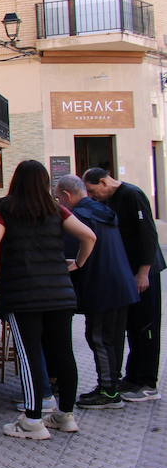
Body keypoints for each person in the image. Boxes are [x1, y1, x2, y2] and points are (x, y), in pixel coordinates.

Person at [0, 160, 96, 440]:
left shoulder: (4, 209)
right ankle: (65, 416)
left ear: (16, 181)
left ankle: (32, 420)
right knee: (63, 353)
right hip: (59, 293)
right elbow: (89, 236)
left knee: (30, 355)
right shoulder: (55, 209)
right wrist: (78, 264)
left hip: (23, 296)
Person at [55, 174, 138, 409]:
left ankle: (109, 392)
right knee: (111, 339)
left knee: (99, 338)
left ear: (67, 195)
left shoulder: (79, 217)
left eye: (59, 198)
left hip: (102, 286)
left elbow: (70, 257)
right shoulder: (103, 211)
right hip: (121, 284)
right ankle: (111, 384)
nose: (59, 202)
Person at [85, 167, 164, 402]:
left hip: (144, 273)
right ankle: (133, 377)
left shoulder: (132, 195)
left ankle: (147, 382)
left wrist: (143, 273)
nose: (92, 196)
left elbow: (147, 234)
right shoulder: (111, 200)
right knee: (133, 326)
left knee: (146, 327)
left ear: (103, 182)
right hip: (128, 274)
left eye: (92, 190)